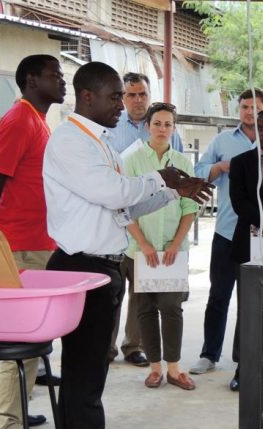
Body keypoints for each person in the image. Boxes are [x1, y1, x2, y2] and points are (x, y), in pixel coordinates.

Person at [42, 61, 212, 428]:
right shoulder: (70, 140)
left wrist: (173, 191)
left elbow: (125, 205)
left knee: (88, 373)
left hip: (102, 266)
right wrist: (159, 176)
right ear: (87, 97)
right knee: (84, 374)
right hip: (81, 266)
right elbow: (111, 192)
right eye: (116, 96)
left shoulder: (99, 142)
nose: (123, 105)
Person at [0, 54, 66, 429]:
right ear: (31, 80)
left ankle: (14, 411)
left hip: (38, 242)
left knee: (32, 342)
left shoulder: (37, 119)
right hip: (19, 244)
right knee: (18, 341)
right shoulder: (18, 119)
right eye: (54, 75)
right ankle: (1, 421)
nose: (62, 81)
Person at [189, 88, 263, 392]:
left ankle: (243, 359)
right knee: (218, 296)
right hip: (225, 232)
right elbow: (197, 172)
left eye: (256, 107)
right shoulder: (223, 141)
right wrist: (221, 167)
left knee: (251, 302)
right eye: (245, 107)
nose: (250, 112)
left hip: (260, 236)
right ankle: (209, 354)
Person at [107, 72, 184, 368]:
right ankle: (107, 348)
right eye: (131, 95)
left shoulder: (166, 130)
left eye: (142, 94)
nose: (137, 100)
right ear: (122, 97)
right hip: (121, 227)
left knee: (141, 297)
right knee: (114, 294)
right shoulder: (112, 128)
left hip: (155, 224)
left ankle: (132, 346)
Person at [122, 102, 198, 391]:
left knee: (171, 307)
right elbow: (124, 206)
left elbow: (190, 206)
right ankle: (155, 368)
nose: (162, 129)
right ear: (147, 126)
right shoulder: (132, 161)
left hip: (173, 252)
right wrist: (143, 244)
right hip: (139, 251)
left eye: (168, 124)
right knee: (145, 309)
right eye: (157, 123)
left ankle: (175, 369)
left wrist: (176, 244)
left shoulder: (183, 162)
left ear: (174, 128)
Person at [228, 110, 263, 392]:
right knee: (248, 307)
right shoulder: (241, 163)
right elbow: (239, 203)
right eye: (260, 128)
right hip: (248, 244)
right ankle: (243, 366)